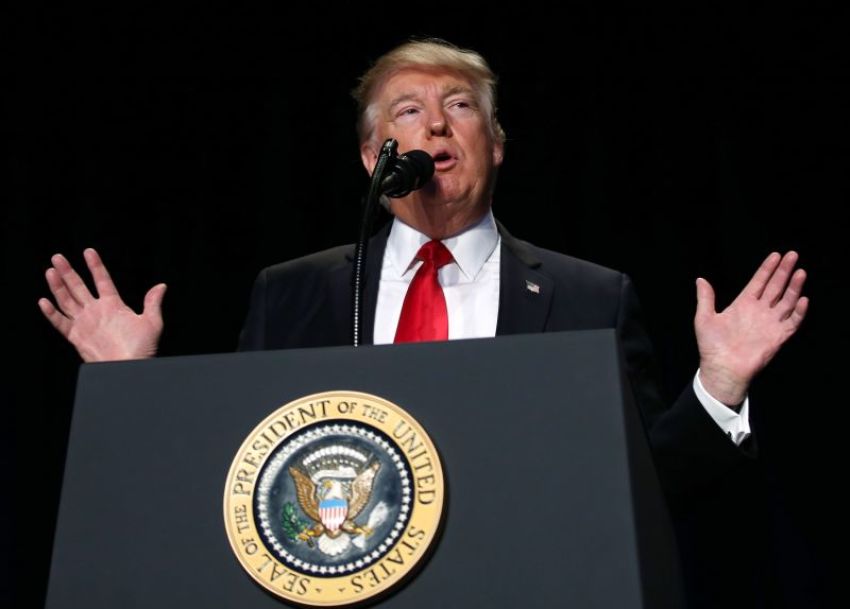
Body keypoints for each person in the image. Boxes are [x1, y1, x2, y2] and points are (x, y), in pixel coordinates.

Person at [39, 37, 808, 601]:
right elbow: (243, 479)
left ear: (496, 146)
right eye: (409, 111)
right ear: (375, 156)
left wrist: (718, 386)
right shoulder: (294, 292)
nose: (437, 127)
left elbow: (646, 487)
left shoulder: (588, 295)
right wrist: (127, 390)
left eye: (461, 107)